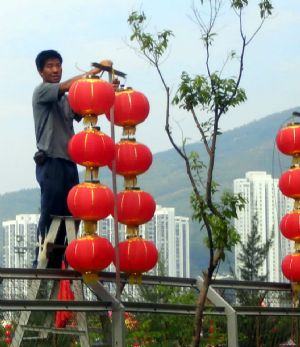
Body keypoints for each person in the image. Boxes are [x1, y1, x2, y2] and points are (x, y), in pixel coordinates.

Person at [32, 49, 112, 268]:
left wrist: (106, 90)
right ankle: (41, 260)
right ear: (41, 71)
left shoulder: (66, 99)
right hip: (50, 161)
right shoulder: (42, 92)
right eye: (50, 66)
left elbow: (86, 104)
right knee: (51, 209)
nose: (55, 70)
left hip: (68, 162)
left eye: (58, 65)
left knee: (72, 212)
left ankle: (63, 258)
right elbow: (68, 86)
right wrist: (95, 72)